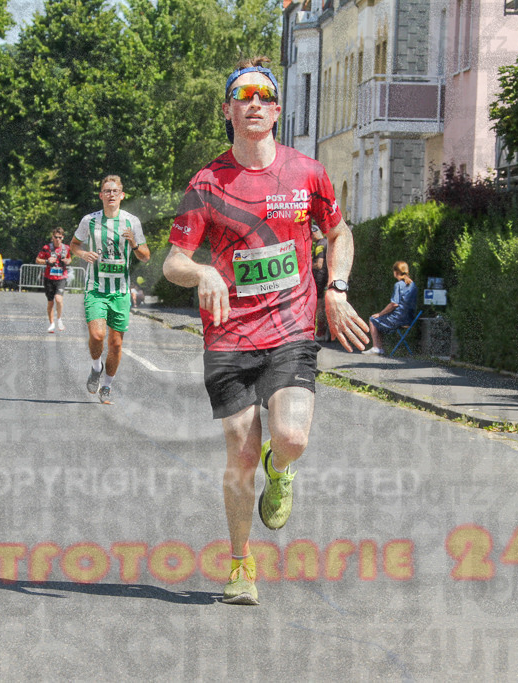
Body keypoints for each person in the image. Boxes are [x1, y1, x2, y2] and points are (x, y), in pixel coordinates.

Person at [162, 56, 369, 605]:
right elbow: (172, 262)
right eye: (242, 95)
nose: (253, 103)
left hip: (291, 325)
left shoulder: (307, 173)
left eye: (263, 95)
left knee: (292, 438)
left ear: (277, 110)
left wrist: (336, 286)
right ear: (228, 110)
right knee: (239, 451)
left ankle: (283, 467)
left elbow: (338, 232)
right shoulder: (208, 182)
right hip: (229, 334)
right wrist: (204, 270)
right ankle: (240, 564)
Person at [70, 175, 150, 404]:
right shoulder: (90, 221)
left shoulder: (131, 222)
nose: (111, 194)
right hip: (96, 288)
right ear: (101, 195)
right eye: (107, 191)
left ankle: (106, 386)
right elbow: (74, 245)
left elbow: (145, 257)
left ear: (122, 195)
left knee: (115, 343)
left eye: (115, 191)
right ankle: (96, 367)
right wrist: (83, 253)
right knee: (97, 335)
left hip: (121, 291)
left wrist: (134, 242)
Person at [363, 261, 418, 355]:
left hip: (398, 319)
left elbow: (394, 304)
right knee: (379, 320)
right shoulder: (413, 285)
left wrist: (380, 314)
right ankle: (380, 348)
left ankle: (376, 347)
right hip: (410, 319)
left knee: (373, 319)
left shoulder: (398, 285)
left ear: (396, 272)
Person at [35, 229, 72, 333]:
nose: (58, 240)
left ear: (63, 238)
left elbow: (69, 259)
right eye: (56, 237)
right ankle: (52, 323)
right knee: (50, 302)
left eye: (60, 237)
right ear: (52, 237)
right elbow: (37, 260)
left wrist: (67, 261)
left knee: (59, 299)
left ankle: (59, 319)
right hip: (49, 278)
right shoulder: (47, 248)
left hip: (61, 277)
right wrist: (47, 261)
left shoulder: (66, 248)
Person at [311, 227, 329, 341]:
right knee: (322, 306)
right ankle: (324, 332)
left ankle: (321, 332)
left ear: (314, 233)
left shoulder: (320, 245)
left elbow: (319, 264)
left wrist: (306, 265)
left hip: (319, 279)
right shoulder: (326, 242)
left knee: (319, 307)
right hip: (326, 278)